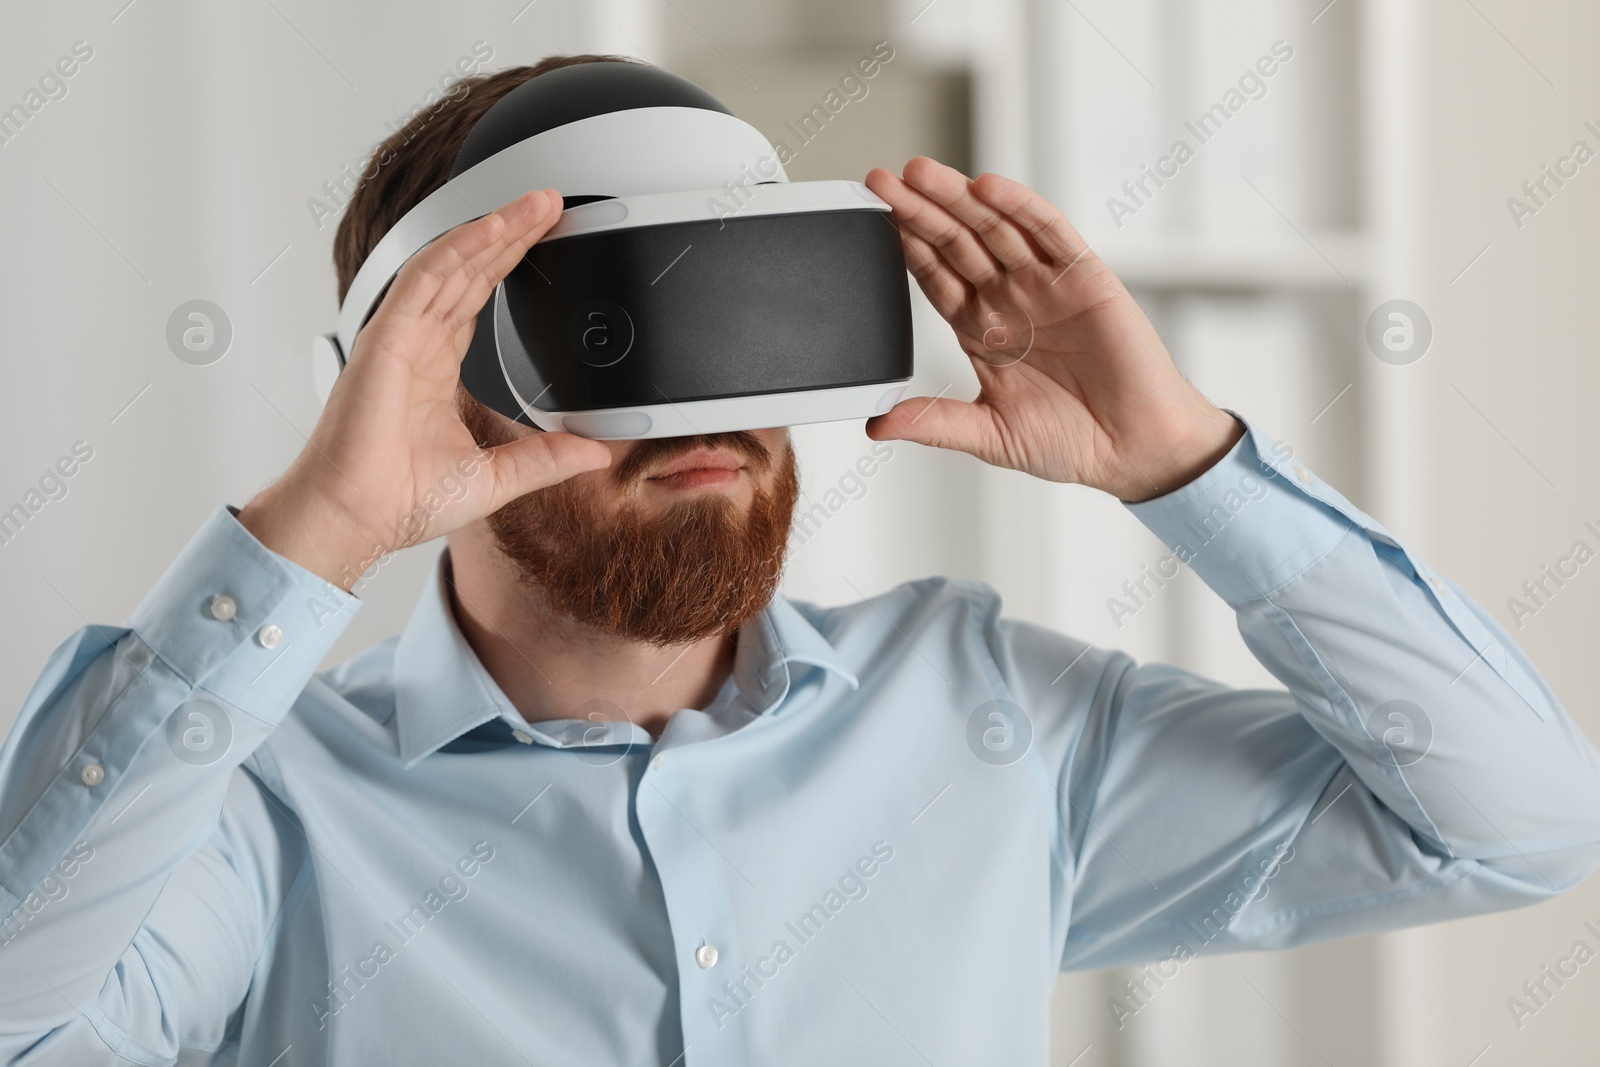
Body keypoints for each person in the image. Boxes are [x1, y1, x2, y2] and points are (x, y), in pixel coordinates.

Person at [2, 54, 1597, 1067]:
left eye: (746, 320)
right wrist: (320, 529)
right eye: (621, 334)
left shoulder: (994, 726)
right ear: (409, 378)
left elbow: (1520, 825)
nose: (710, 417)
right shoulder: (268, 822)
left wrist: (1188, 465)